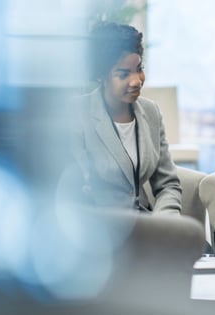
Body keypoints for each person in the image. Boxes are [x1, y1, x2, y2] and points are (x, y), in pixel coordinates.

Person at [68, 21, 181, 213]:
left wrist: (166, 223)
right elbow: (75, 191)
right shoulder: (77, 114)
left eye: (139, 68)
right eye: (123, 74)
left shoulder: (151, 112)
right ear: (101, 76)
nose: (136, 81)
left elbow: (168, 185)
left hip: (145, 225)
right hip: (101, 229)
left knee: (199, 243)